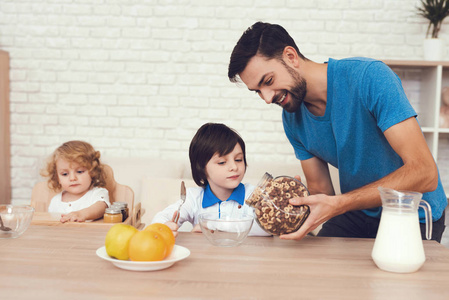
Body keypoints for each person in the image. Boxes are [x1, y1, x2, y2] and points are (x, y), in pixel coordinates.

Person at [228, 21, 447, 242]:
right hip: (357, 213)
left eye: (268, 81)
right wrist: (292, 199)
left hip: (411, 212)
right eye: (257, 91)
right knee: (317, 268)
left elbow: (425, 173)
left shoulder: (369, 78)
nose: (267, 98)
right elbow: (323, 193)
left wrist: (341, 203)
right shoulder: (292, 118)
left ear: (291, 57)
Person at [151, 122, 270, 237]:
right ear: (202, 168)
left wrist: (213, 225)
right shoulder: (193, 198)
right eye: (222, 162)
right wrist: (163, 228)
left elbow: (266, 227)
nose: (234, 167)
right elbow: (161, 219)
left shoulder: (255, 194)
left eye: (238, 160)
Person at [41, 140, 111, 223]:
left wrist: (82, 214)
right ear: (57, 178)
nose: (72, 178)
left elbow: (101, 208)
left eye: (79, 172)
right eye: (65, 174)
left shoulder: (97, 194)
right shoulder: (55, 201)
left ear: (93, 172)